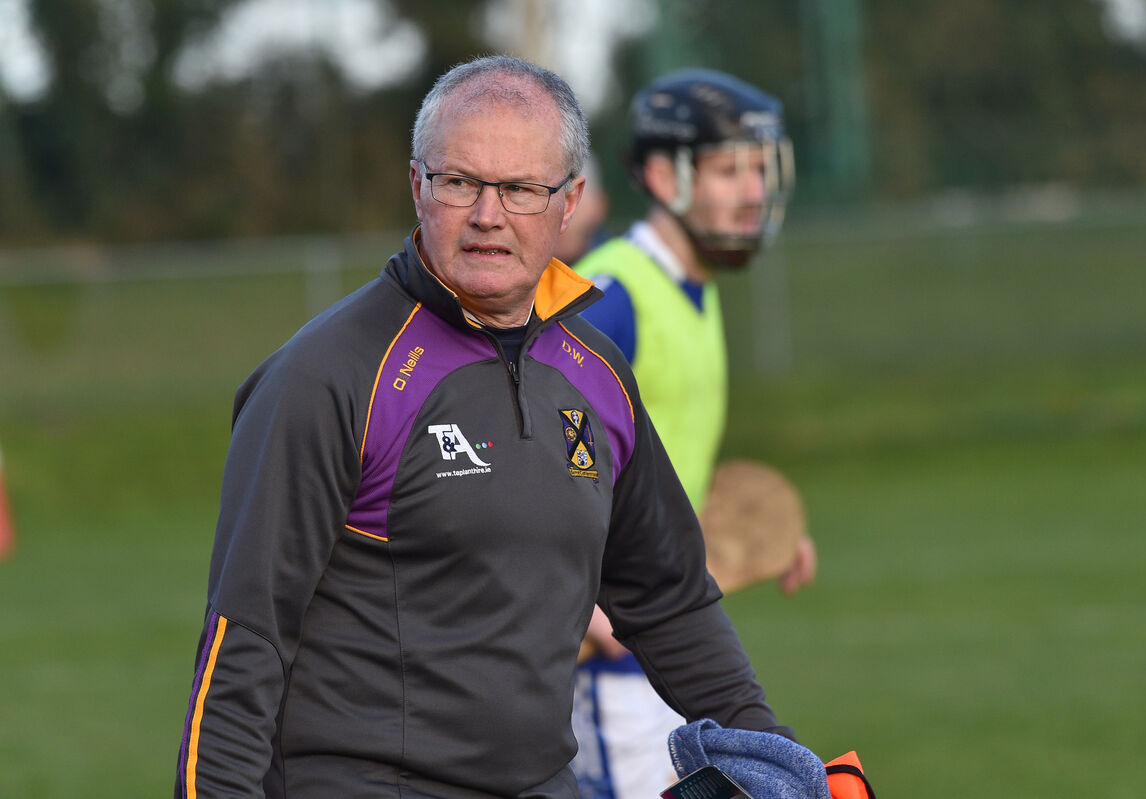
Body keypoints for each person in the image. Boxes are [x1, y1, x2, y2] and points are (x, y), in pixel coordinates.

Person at [175, 55, 799, 799]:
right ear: (418, 187)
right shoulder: (326, 377)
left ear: (568, 203)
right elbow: (243, 642)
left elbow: (669, 599)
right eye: (460, 181)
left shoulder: (596, 375)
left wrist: (774, 756)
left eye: (520, 189)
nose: (487, 215)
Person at [569, 69, 818, 798]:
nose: (752, 191)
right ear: (659, 173)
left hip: (656, 652)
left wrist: (751, 534)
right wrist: (583, 605)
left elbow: (647, 465)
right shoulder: (612, 297)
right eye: (728, 169)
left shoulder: (692, 290)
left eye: (759, 169)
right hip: (606, 665)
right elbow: (528, 450)